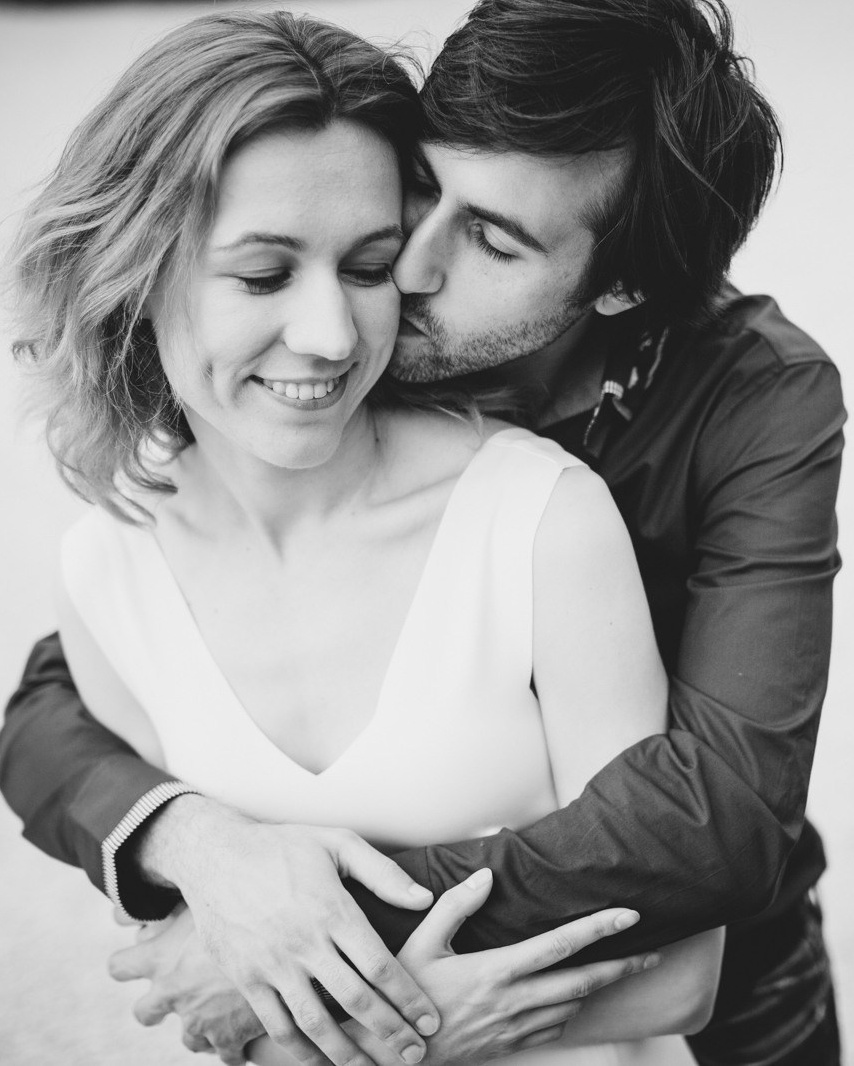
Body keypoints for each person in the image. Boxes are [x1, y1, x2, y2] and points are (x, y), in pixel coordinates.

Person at [0, 1, 844, 1064]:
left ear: (618, 284)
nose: (398, 275)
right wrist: (196, 842)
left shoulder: (751, 403)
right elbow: (64, 690)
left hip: (709, 965)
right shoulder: (327, 347)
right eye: (419, 189)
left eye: (491, 238)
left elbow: (713, 820)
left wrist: (321, 946)